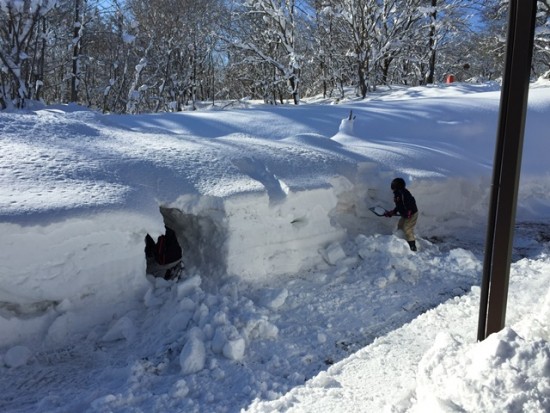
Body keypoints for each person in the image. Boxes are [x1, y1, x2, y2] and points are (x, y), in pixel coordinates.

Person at [383, 177, 419, 251]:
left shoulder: (404, 193)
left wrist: (409, 211)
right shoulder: (397, 194)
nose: (392, 186)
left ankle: (412, 246)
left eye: (393, 185)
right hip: (405, 214)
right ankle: (402, 241)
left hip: (412, 214)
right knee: (400, 225)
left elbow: (411, 202)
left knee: (407, 228)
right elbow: (399, 206)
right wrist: (393, 212)